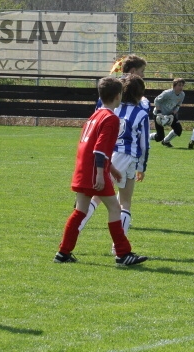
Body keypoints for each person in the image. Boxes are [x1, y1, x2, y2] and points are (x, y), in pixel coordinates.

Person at [54, 77, 148, 267]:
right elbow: (99, 149)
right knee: (115, 208)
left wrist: (112, 168)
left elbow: (91, 147)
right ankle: (123, 254)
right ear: (117, 95)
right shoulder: (111, 118)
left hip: (82, 168)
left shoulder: (95, 115)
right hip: (94, 171)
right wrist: (100, 174)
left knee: (80, 210)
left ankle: (63, 253)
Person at [78, 76, 151, 250]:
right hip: (128, 156)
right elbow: (144, 144)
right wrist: (142, 166)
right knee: (124, 201)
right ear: (140, 94)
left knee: (96, 197)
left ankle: (78, 229)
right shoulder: (141, 113)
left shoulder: (112, 110)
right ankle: (118, 246)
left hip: (108, 155)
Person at [152, 78, 186, 147]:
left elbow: (178, 105)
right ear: (174, 86)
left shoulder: (182, 94)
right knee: (159, 137)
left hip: (169, 115)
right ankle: (146, 137)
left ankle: (165, 141)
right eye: (179, 85)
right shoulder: (167, 93)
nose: (181, 87)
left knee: (178, 130)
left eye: (182, 85)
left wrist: (172, 114)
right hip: (159, 115)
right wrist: (159, 113)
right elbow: (156, 101)